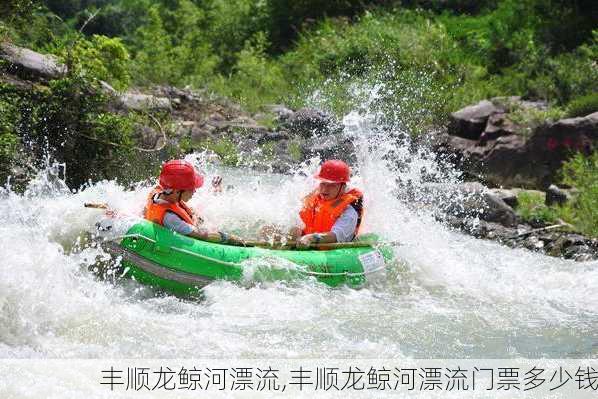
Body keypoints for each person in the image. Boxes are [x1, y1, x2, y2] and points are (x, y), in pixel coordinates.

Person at [144, 159, 242, 244]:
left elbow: (185, 210)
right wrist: (230, 238)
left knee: (201, 208)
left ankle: (215, 189)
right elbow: (203, 235)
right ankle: (215, 189)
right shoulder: (170, 218)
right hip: (188, 231)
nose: (195, 191)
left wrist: (195, 216)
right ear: (177, 191)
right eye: (191, 188)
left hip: (190, 218)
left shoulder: (162, 193)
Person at [293, 159, 364, 248]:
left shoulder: (349, 211)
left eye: (331, 185)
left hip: (333, 250)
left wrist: (311, 238)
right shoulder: (314, 200)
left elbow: (335, 235)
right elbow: (298, 222)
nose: (325, 189)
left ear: (343, 187)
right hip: (309, 246)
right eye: (323, 184)